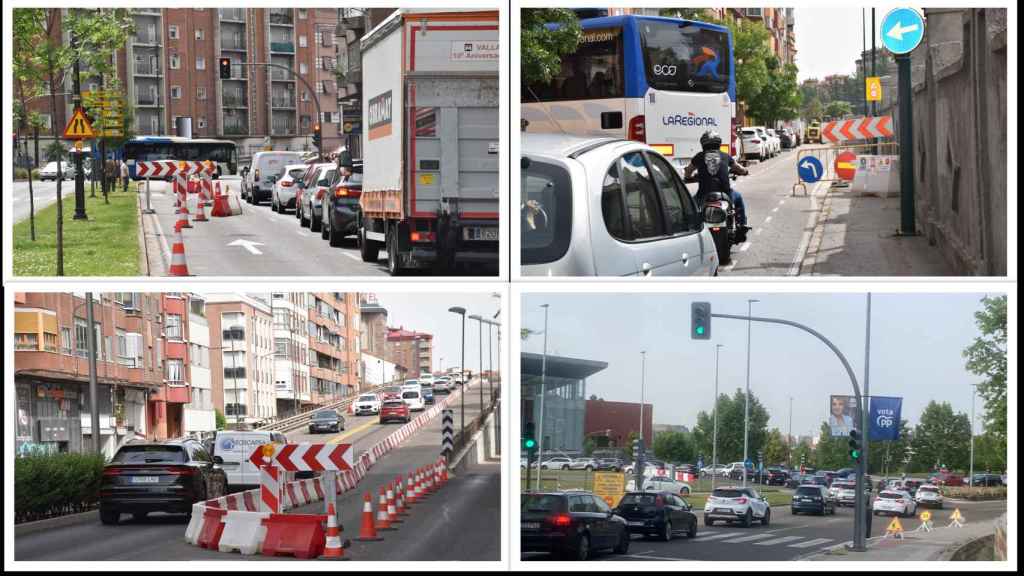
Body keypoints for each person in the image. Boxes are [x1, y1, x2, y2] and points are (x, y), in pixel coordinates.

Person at [684, 130, 750, 241]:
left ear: (703, 144)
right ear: (719, 143)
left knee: (690, 207)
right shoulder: (725, 156)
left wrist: (688, 177)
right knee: (738, 198)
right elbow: (739, 168)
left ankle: (690, 229)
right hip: (725, 195)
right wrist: (745, 171)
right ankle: (742, 225)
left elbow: (688, 171)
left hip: (704, 195)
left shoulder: (699, 157)